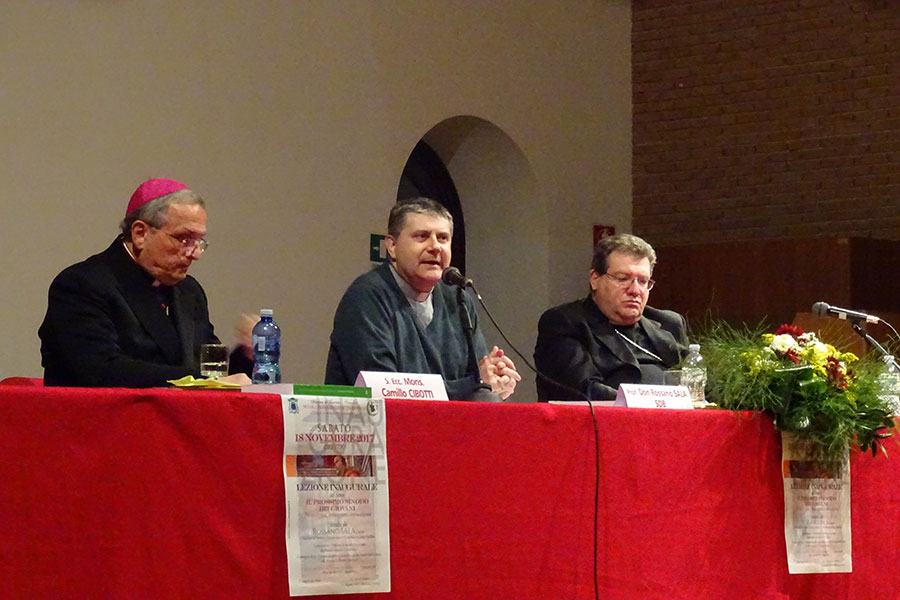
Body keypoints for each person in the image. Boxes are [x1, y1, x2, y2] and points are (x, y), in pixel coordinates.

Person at [38, 178, 251, 388]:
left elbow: (209, 371)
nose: (194, 254)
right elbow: (101, 370)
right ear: (140, 234)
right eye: (184, 239)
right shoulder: (82, 285)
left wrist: (246, 356)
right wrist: (202, 380)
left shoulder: (189, 292)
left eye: (198, 241)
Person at [324, 197, 520, 400]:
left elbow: (479, 377)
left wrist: (497, 379)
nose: (435, 247)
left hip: (449, 426)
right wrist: (474, 385)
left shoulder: (458, 299)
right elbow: (384, 391)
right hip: (379, 428)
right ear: (392, 246)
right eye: (422, 236)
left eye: (443, 238)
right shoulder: (365, 298)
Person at [533, 233, 687, 401]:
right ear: (595, 279)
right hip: (603, 424)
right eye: (622, 279)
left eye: (643, 281)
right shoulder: (565, 323)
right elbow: (584, 391)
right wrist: (652, 404)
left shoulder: (669, 324)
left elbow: (698, 383)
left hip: (675, 423)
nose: (635, 291)